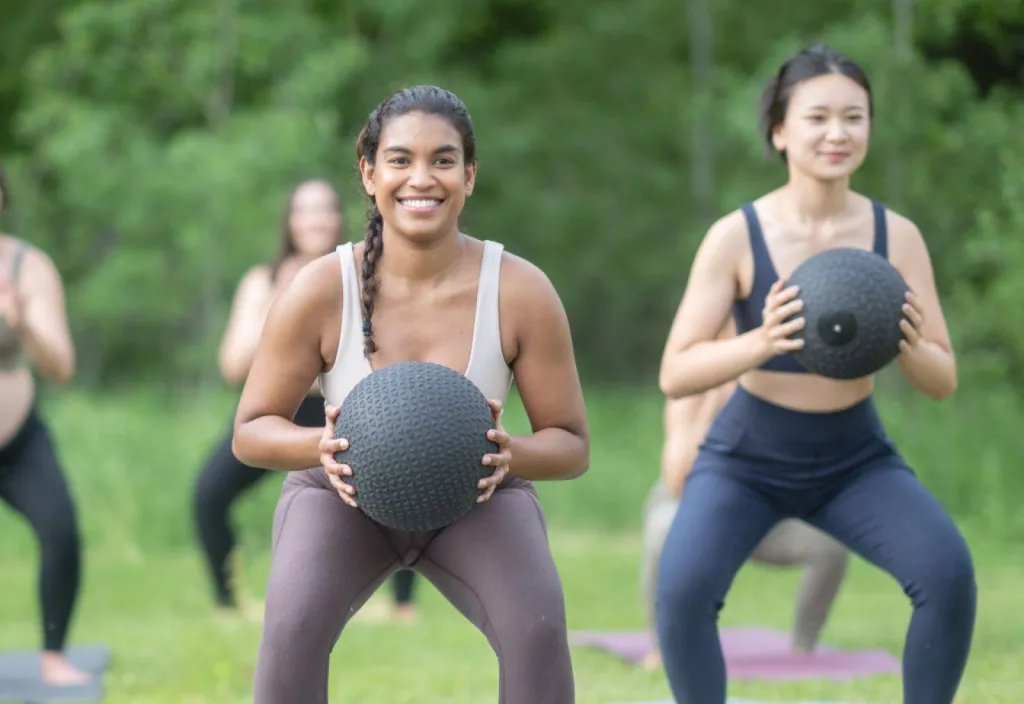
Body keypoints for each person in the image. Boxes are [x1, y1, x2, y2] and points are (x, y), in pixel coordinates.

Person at [231, 85, 589, 703]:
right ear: (369, 174)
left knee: (537, 630)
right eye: (400, 160)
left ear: (469, 176)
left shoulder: (520, 290)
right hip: (341, 495)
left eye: (443, 160)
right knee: (291, 629)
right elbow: (250, 430)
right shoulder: (322, 288)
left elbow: (572, 444)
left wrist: (512, 454)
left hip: (478, 497)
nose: (421, 178)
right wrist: (319, 446)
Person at [654, 44, 976, 704]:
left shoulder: (897, 236)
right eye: (818, 117)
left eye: (855, 117)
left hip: (853, 457)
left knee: (947, 579)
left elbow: (941, 379)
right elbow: (676, 371)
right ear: (779, 131)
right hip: (746, 454)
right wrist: (762, 341)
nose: (838, 133)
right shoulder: (737, 235)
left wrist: (910, 346)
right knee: (682, 594)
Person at [640, 316, 848, 672]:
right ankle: (664, 648)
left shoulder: (785, 388)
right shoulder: (689, 391)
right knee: (663, 534)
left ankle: (803, 650)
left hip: (764, 513)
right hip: (694, 509)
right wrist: (716, 400)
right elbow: (677, 479)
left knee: (830, 545)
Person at [191, 178, 340, 615]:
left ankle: (401, 606)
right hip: (271, 408)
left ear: (337, 218)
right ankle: (228, 601)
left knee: (390, 487)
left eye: (324, 208)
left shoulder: (359, 274)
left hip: (335, 411)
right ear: (290, 221)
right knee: (208, 495)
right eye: (304, 209)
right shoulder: (262, 281)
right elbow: (233, 365)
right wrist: (284, 310)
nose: (314, 219)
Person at [0, 167, 92, 686]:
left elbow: (61, 366)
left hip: (17, 437)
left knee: (60, 530)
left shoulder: (26, 265)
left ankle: (54, 654)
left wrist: (21, 322)